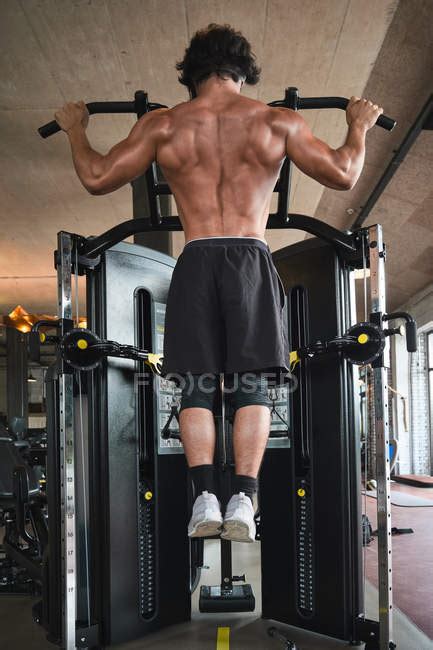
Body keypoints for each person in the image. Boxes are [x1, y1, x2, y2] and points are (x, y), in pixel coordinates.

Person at [54, 23, 384, 543]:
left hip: (196, 258)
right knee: (251, 386)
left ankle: (203, 495)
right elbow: (344, 173)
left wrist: (75, 128)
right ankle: (244, 500)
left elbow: (96, 177)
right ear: (243, 69)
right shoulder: (277, 121)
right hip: (250, 258)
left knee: (197, 388)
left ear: (190, 72)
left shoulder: (163, 126)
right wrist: (358, 125)